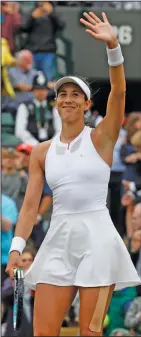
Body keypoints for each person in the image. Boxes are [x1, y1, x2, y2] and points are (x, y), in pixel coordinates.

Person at [6, 11, 141, 336]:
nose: (68, 99)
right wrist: (15, 248)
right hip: (58, 242)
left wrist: (113, 48)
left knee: (91, 333)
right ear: (56, 104)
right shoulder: (41, 152)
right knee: (43, 333)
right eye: (62, 94)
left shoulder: (101, 137)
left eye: (75, 95)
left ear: (86, 104)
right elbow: (29, 207)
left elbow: (119, 95)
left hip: (99, 243)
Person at [15, 71, 55, 145]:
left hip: (51, 146)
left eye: (43, 89)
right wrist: (35, 144)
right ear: (33, 91)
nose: (41, 92)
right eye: (38, 89)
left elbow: (60, 130)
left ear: (47, 90)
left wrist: (51, 145)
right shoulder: (24, 106)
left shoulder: (53, 107)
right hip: (31, 146)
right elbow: (20, 131)